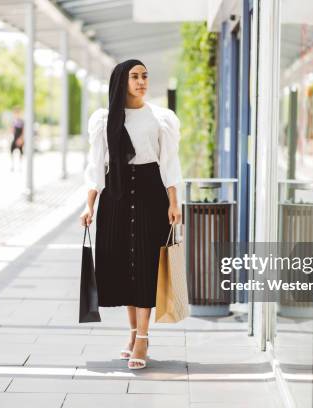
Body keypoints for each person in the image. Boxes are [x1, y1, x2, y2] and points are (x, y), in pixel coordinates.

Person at [79, 59, 183, 369]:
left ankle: (143, 340)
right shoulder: (105, 119)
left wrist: (174, 202)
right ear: (122, 81)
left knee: (147, 264)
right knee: (125, 265)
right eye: (134, 76)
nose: (141, 81)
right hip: (117, 195)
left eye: (144, 76)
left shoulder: (161, 117)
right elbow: (96, 165)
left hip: (151, 192)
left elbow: (169, 163)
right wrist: (89, 204)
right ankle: (133, 332)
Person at [10, 107, 24, 171]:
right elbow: (12, 130)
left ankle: (20, 166)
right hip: (15, 138)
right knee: (12, 151)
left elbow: (23, 131)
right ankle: (13, 165)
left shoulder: (21, 122)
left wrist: (21, 139)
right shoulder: (14, 121)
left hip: (20, 139)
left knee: (21, 152)